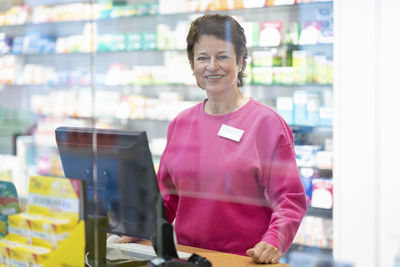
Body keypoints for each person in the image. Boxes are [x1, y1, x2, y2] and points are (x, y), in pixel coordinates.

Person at [156, 14, 307, 264]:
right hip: (188, 259)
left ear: (240, 62)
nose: (212, 66)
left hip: (244, 260)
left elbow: (289, 199)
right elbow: (166, 197)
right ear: (193, 65)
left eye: (222, 56)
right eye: (202, 57)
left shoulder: (266, 123)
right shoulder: (180, 124)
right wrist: (136, 227)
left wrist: (273, 240)